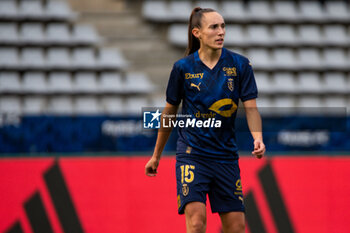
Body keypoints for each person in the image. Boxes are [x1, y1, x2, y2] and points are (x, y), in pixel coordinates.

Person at [145, 7, 265, 233]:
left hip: (225, 157)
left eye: (223, 26)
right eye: (214, 27)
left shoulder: (240, 65)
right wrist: (156, 156)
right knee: (197, 223)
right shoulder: (182, 68)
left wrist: (257, 138)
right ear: (197, 33)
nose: (221, 32)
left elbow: (251, 109)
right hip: (193, 155)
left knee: (237, 227)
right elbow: (169, 113)